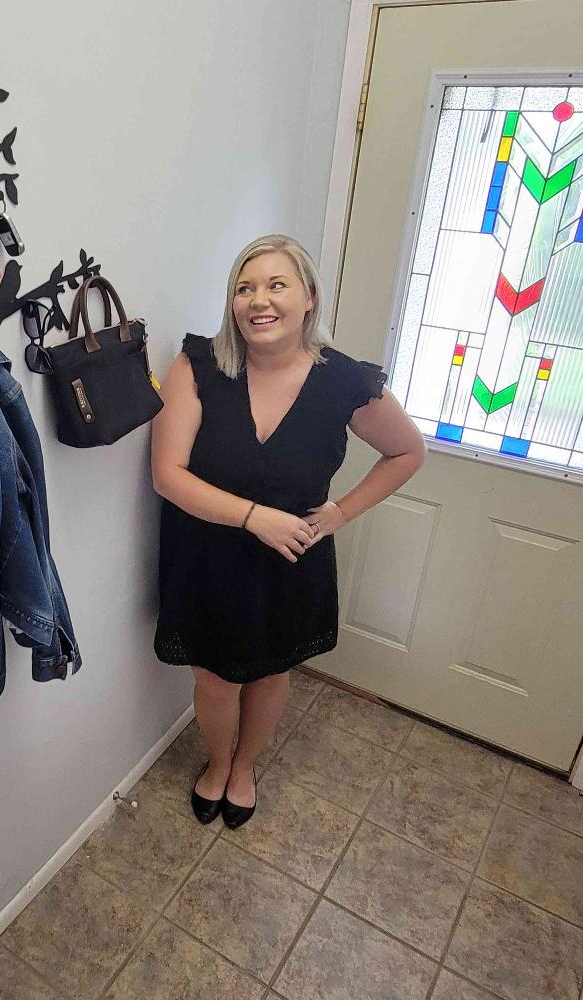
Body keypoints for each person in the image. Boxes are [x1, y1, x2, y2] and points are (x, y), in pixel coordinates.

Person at [150, 234, 425, 829]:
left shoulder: (345, 382)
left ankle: (247, 766)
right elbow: (167, 475)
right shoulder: (198, 365)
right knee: (216, 677)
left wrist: (341, 513)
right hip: (207, 553)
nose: (258, 300)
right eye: (244, 288)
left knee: (272, 670)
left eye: (277, 284)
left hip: (292, 557)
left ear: (308, 299)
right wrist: (254, 517)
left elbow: (406, 451)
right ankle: (218, 763)